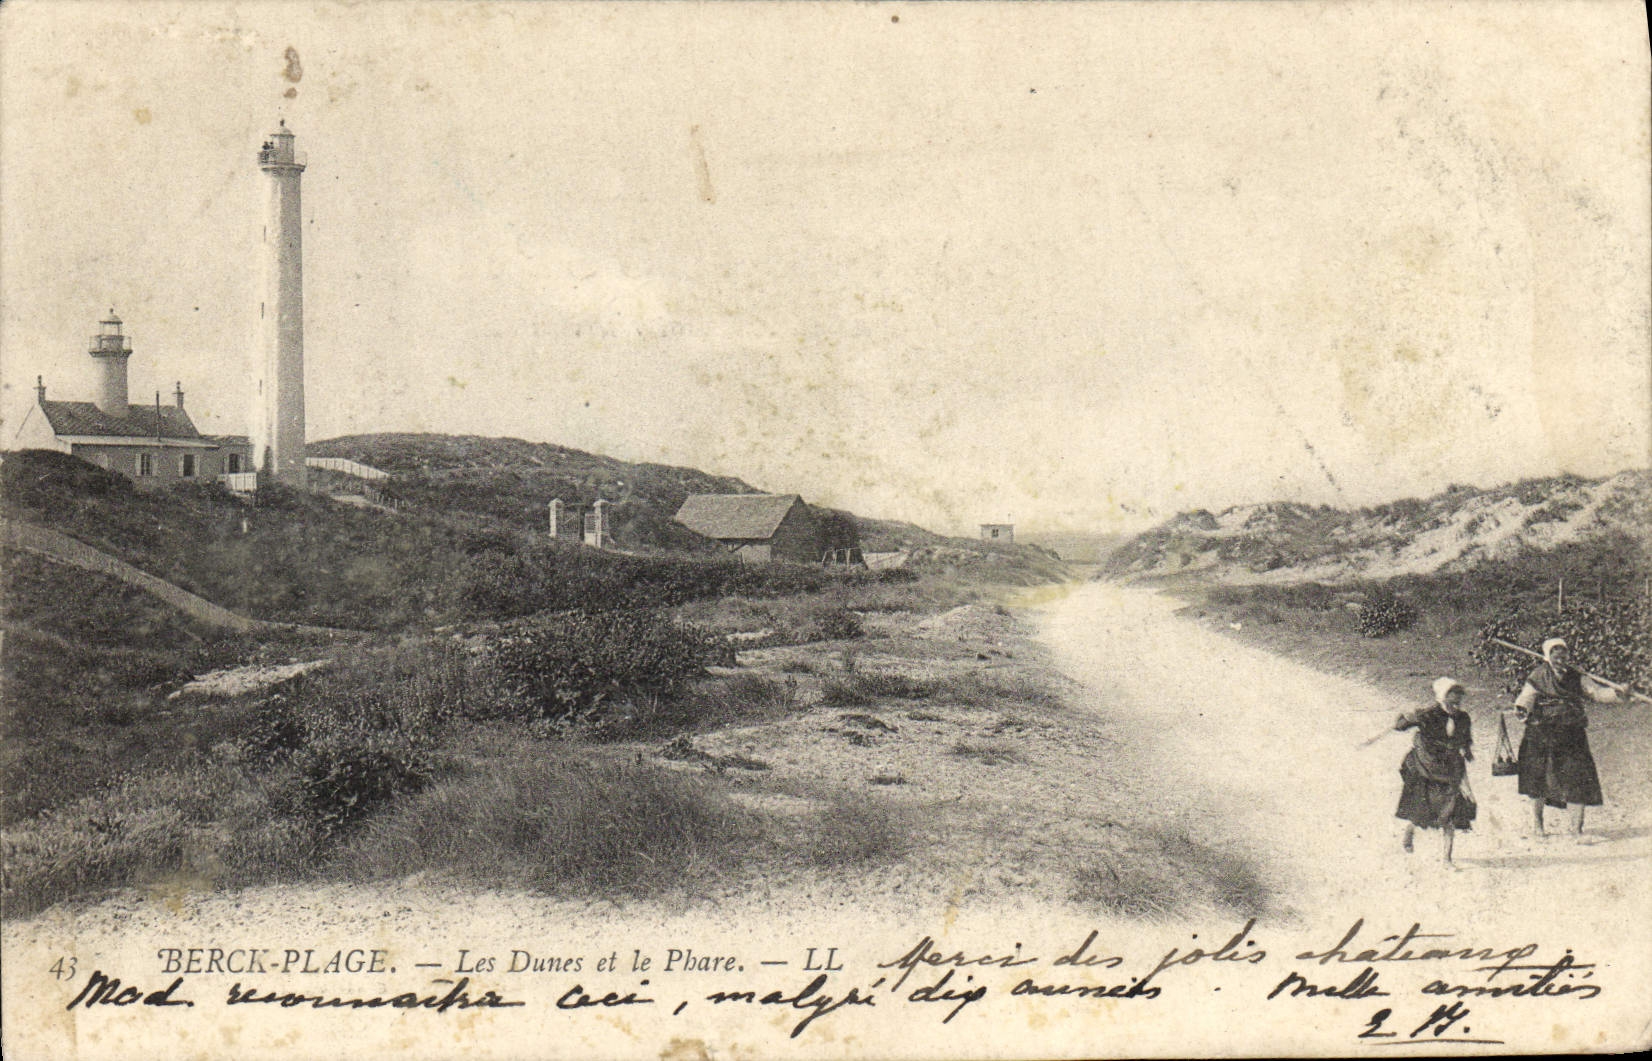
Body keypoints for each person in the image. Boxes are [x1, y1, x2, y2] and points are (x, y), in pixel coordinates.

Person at [1512, 637, 1620, 842]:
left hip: (1571, 734)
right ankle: (1538, 825)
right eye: (1556, 655)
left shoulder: (1577, 676)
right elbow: (1526, 697)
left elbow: (1596, 693)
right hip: (1541, 733)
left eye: (1563, 654)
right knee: (1538, 779)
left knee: (1577, 778)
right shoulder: (1538, 675)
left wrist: (1617, 693)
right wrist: (1522, 708)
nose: (1560, 658)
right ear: (1548, 656)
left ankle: (1576, 830)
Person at [1395, 677, 1475, 866]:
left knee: (1450, 813)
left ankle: (1447, 858)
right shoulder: (1428, 714)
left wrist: (1466, 750)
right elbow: (1400, 726)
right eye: (1451, 696)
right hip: (1427, 767)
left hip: (1450, 768)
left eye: (1458, 697)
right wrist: (1407, 717)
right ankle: (1410, 830)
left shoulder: (1463, 717)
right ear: (1442, 697)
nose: (1456, 701)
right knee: (1422, 810)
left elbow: (1465, 739)